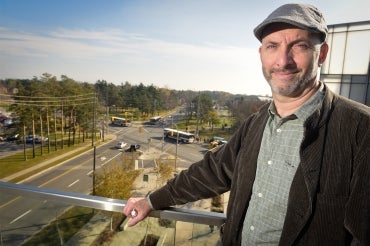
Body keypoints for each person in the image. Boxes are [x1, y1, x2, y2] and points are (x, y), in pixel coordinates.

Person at [123, 3, 370, 245]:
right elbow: (211, 172)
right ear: (261, 54)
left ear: (322, 55)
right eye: (272, 46)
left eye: (300, 46)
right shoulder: (256, 122)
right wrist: (152, 201)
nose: (283, 61)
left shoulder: (361, 130)